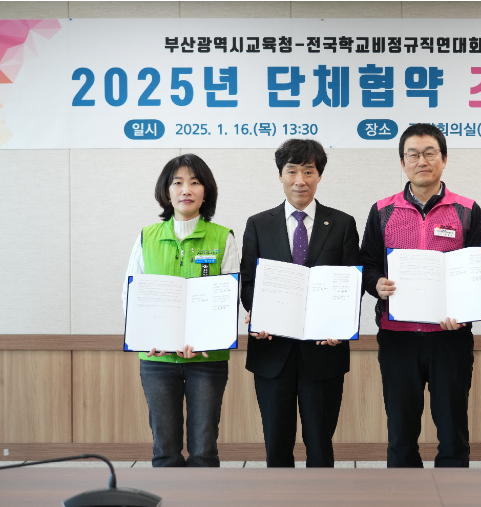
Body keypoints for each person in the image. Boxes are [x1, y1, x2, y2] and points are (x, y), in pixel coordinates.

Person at [360, 123, 481, 468]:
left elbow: (478, 273)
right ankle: (404, 493)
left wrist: (464, 314)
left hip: (450, 337)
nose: (422, 161)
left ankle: (453, 491)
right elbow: (367, 263)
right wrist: (376, 284)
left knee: (453, 432)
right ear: (402, 163)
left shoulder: (467, 210)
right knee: (401, 434)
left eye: (430, 153)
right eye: (413, 155)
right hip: (397, 337)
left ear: (444, 159)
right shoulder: (382, 210)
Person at [240, 138, 361, 467]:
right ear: (280, 175)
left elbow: (352, 283)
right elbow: (248, 283)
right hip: (272, 350)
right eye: (291, 171)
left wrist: (341, 326)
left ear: (319, 175)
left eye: (308, 171)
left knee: (320, 444)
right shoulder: (258, 224)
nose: (300, 180)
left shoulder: (342, 224)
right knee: (277, 444)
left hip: (323, 352)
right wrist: (258, 314)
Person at [121, 154, 238, 467]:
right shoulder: (147, 237)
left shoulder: (222, 237)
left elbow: (228, 297)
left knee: (203, 450)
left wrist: (206, 339)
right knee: (165, 450)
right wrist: (146, 337)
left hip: (207, 359)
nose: (186, 189)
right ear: (166, 191)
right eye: (178, 182)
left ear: (206, 191)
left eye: (195, 182)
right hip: (157, 358)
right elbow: (130, 295)